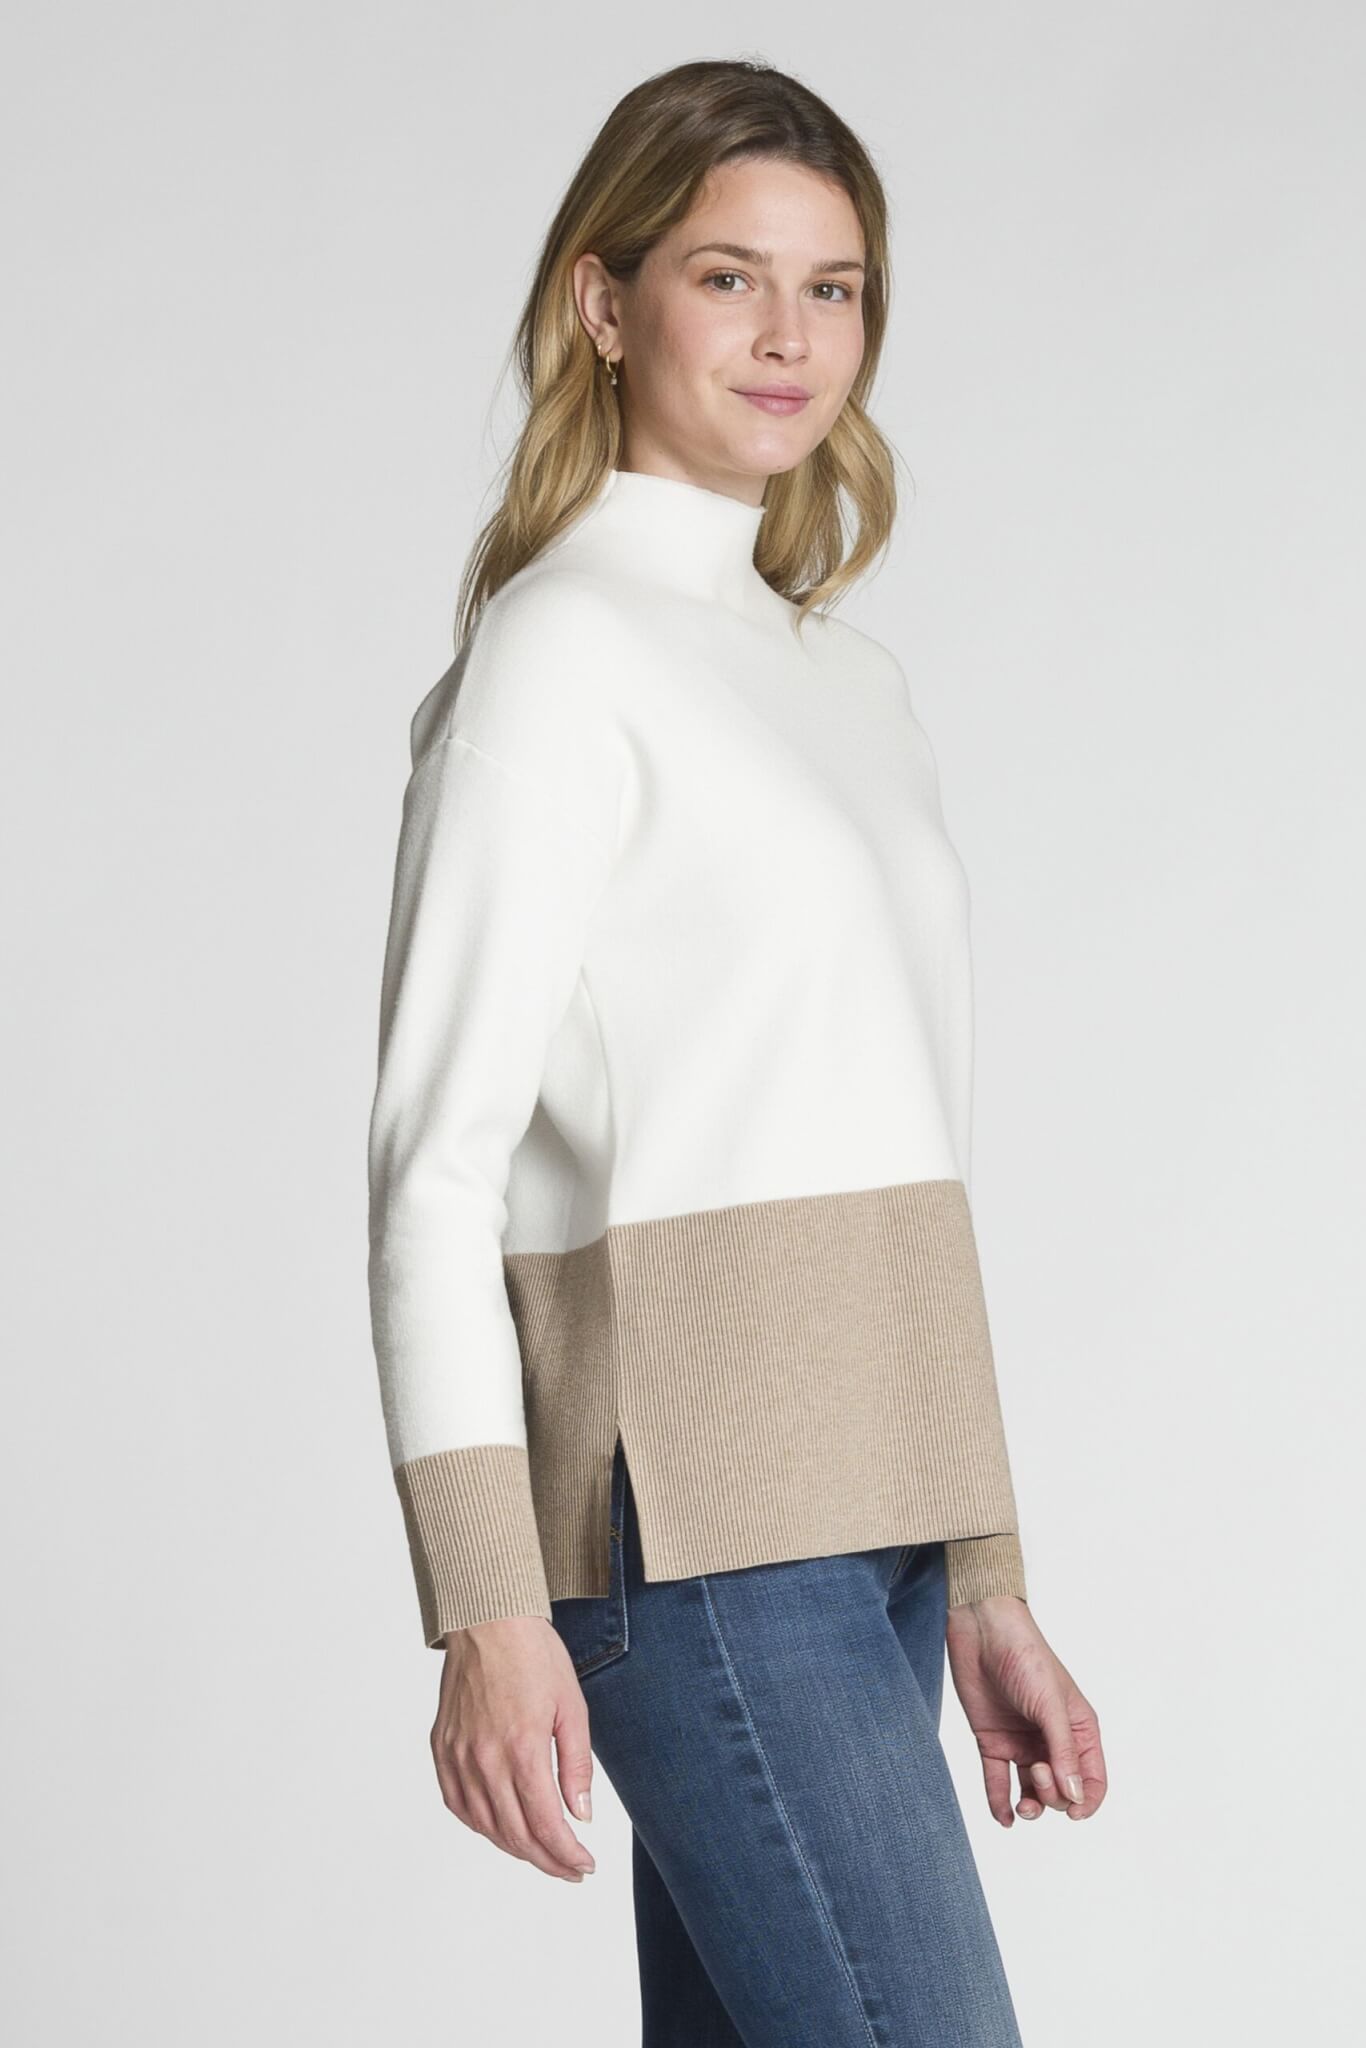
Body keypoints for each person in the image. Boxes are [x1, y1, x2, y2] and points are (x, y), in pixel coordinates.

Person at [366, 56, 1107, 2046]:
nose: (790, 336)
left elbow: (896, 1148)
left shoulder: (846, 683)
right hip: (689, 1536)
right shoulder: (556, 656)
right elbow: (433, 1172)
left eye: (832, 287)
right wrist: (485, 1602)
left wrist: (979, 1566)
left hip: (872, 1538)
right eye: (728, 277)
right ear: (603, 304)